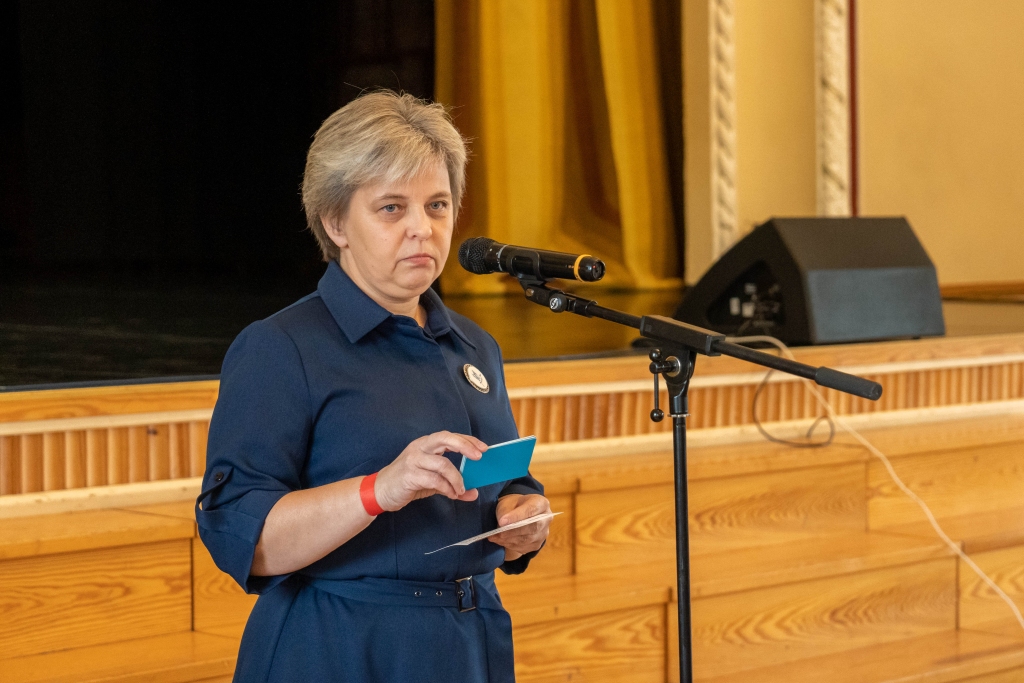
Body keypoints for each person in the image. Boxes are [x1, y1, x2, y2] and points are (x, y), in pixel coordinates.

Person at [196, 90, 552, 682]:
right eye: (391, 208)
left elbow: (499, 479)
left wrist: (521, 517)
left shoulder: (474, 346)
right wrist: (379, 490)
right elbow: (245, 539)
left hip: (470, 643)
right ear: (336, 222)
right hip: (338, 646)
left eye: (437, 205)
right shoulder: (281, 348)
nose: (422, 228)